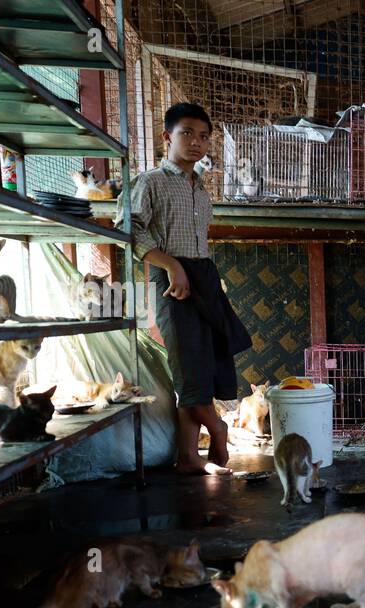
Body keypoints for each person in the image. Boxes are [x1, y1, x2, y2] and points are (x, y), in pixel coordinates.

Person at [123, 102, 252, 475]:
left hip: (203, 276)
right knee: (185, 366)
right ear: (167, 137)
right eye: (186, 134)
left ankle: (187, 457)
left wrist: (198, 274)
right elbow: (130, 230)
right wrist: (171, 266)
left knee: (202, 365)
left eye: (203, 136)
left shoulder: (200, 189)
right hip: (171, 280)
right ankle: (218, 427)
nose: (196, 143)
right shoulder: (150, 182)